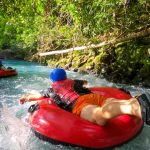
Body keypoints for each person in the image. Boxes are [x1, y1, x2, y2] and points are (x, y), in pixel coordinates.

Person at [19, 68, 150, 126]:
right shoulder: (74, 81)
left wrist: (25, 97)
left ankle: (136, 106)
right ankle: (133, 101)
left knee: (100, 117)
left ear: (53, 81)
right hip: (92, 96)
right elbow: (86, 83)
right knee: (110, 101)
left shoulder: (50, 89)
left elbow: (36, 96)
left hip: (78, 103)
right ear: (65, 77)